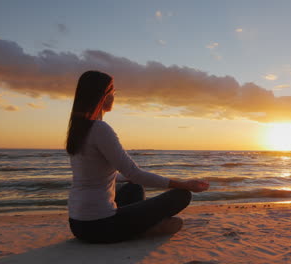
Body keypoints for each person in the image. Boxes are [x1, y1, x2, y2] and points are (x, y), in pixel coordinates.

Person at [66, 70, 209, 243]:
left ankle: (141, 226)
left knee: (134, 188)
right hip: (100, 226)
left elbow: (97, 174)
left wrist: (127, 179)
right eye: (112, 91)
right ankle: (146, 228)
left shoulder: (78, 129)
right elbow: (135, 173)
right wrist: (184, 184)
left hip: (77, 224)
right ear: (102, 95)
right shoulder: (100, 129)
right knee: (181, 195)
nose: (114, 95)